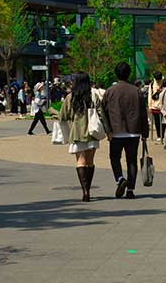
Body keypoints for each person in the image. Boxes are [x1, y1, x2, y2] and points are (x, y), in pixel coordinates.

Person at [101, 62, 150, 199]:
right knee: (131, 160)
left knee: (114, 157)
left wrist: (107, 129)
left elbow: (102, 111)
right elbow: (142, 113)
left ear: (116, 74)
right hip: (133, 131)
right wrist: (145, 132)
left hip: (116, 131)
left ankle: (120, 178)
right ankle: (130, 190)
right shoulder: (136, 91)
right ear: (129, 74)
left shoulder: (110, 91)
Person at [60, 72, 105, 202]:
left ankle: (84, 191)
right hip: (92, 132)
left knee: (80, 161)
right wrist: (107, 130)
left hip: (77, 132)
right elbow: (101, 113)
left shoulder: (71, 96)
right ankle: (88, 188)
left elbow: (63, 115)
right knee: (90, 162)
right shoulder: (93, 95)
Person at [148, 71, 164, 142]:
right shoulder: (151, 84)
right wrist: (150, 106)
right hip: (155, 106)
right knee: (157, 122)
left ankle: (163, 135)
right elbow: (150, 96)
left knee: (163, 122)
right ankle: (159, 135)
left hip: (163, 105)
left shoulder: (164, 82)